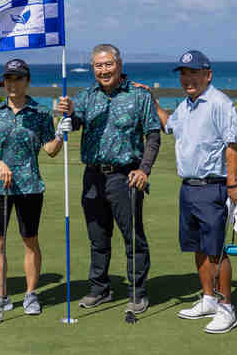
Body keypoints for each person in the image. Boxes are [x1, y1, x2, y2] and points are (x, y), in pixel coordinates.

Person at [57, 44, 161, 315]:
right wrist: (67, 114)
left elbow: (153, 135)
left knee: (133, 237)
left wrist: (144, 170)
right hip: (93, 176)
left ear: (119, 64)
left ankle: (137, 292)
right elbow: (75, 122)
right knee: (97, 237)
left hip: (125, 176)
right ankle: (99, 289)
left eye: (108, 64)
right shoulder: (86, 96)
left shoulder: (138, 95)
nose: (103, 70)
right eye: (98, 66)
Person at [152, 50, 237, 334]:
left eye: (193, 72)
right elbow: (169, 126)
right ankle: (208, 299)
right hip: (188, 187)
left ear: (208, 75)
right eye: (183, 73)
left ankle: (227, 308)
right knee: (198, 247)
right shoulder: (186, 105)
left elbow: (232, 145)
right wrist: (153, 103)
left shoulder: (219, 103)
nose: (187, 78)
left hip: (213, 186)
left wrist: (232, 184)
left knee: (216, 250)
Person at [0, 59, 71, 316]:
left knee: (30, 240)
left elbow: (50, 150)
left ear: (27, 81)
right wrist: (1, 165)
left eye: (18, 78)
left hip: (30, 186)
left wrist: (60, 134)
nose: (13, 83)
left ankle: (30, 294)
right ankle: (1, 296)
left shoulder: (40, 113)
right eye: (9, 78)